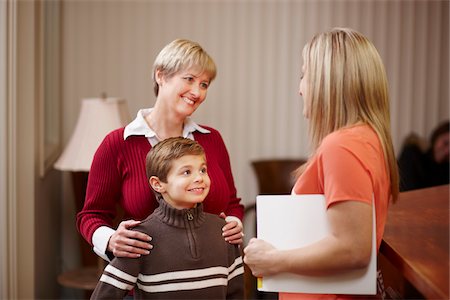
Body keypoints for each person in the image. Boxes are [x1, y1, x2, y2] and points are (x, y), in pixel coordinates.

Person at [243, 27, 399, 300]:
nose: (299, 89)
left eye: (304, 75)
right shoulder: (367, 139)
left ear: (329, 81)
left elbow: (353, 249)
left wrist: (273, 260)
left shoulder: (342, 146)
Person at [77, 39, 244, 263]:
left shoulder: (212, 140)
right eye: (190, 79)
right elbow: (91, 215)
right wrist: (110, 240)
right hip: (145, 287)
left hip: (211, 279)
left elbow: (232, 203)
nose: (197, 92)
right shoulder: (118, 143)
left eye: (204, 84)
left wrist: (235, 222)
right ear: (161, 76)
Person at [90, 137, 244, 299]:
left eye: (203, 170)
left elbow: (236, 294)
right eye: (186, 172)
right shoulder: (139, 238)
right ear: (158, 184)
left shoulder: (224, 232)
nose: (199, 178)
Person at [398, 120, 449, 191]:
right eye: (445, 143)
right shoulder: (412, 155)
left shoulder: (447, 169)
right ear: (436, 137)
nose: (447, 151)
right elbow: (406, 191)